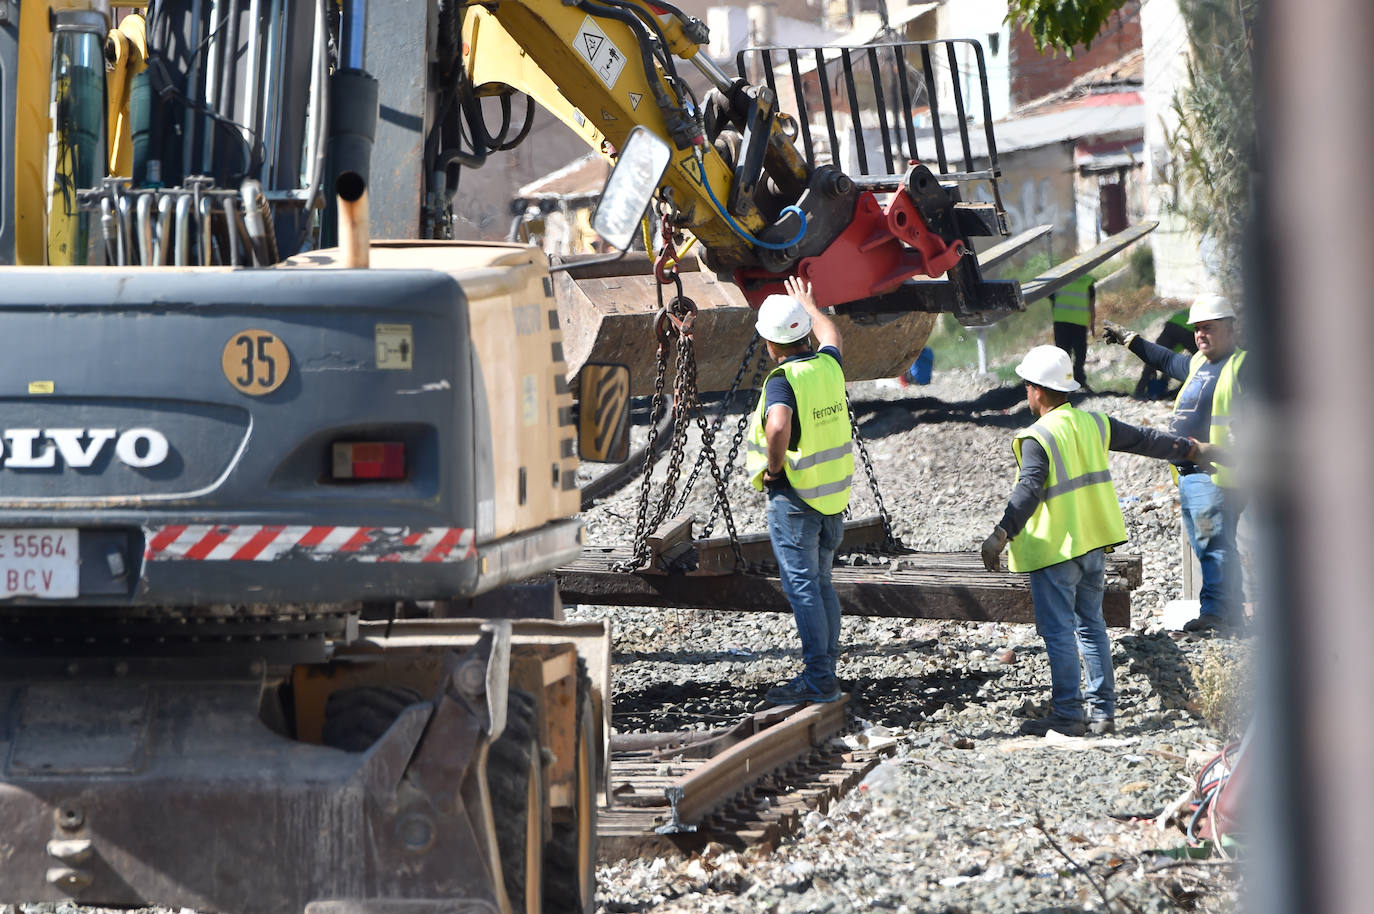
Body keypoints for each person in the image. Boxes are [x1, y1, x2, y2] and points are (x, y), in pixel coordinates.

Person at [981, 345, 1218, 737]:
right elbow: (1144, 440)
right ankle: (1103, 713)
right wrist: (1188, 448)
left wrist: (1002, 532)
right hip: (1092, 547)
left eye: (1027, 385)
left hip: (1055, 551)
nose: (1026, 392)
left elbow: (1029, 489)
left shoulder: (1038, 436)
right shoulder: (1093, 423)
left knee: (1058, 633)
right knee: (1091, 626)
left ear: (1038, 390)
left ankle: (1069, 714)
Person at [1103, 293, 1248, 634]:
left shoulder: (1244, 366)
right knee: (1214, 543)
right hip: (1191, 469)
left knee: (1212, 544)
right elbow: (1166, 360)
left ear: (1229, 329)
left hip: (1215, 471)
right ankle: (1233, 611)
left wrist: (1224, 449)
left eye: (1208, 328)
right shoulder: (1199, 362)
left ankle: (1214, 614)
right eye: (1197, 329)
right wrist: (1131, 340)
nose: (1200, 335)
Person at [745, 276, 854, 705]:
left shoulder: (782, 380)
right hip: (831, 499)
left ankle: (819, 678)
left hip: (795, 499)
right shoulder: (828, 365)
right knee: (822, 583)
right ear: (803, 334)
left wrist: (774, 470)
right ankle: (826, 666)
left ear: (770, 345)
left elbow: (777, 425)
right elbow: (832, 335)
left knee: (804, 587)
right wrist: (809, 304)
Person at [1132, 308, 1197, 399]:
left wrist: (1153, 371)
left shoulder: (1192, 308)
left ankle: (1139, 391)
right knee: (1201, 361)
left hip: (1172, 324)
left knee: (1154, 356)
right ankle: (1181, 392)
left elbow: (1164, 357)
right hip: (1188, 329)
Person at [1050, 275, 1096, 390]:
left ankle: (1067, 381)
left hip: (1061, 321)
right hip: (1079, 322)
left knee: (1064, 353)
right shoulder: (1087, 280)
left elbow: (1052, 299)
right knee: (1080, 353)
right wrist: (1092, 323)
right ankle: (1079, 379)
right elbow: (1092, 302)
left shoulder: (1058, 279)